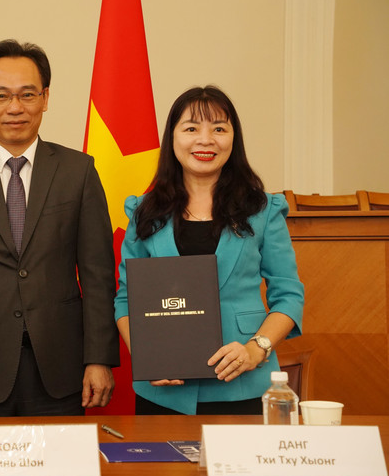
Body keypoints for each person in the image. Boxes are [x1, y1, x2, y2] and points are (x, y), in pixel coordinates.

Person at [0, 39, 120, 417]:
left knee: (61, 475)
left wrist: (99, 358)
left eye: (27, 94)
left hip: (61, 369)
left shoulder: (79, 172)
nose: (15, 108)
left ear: (45, 97)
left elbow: (98, 276)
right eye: (1, 96)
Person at [114, 85, 304, 415]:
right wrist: (148, 357)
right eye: (191, 128)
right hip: (163, 391)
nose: (206, 139)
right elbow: (125, 299)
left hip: (243, 383)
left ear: (234, 138)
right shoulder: (144, 212)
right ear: (172, 138)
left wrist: (255, 349)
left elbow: (289, 295)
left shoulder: (264, 210)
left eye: (219, 128)